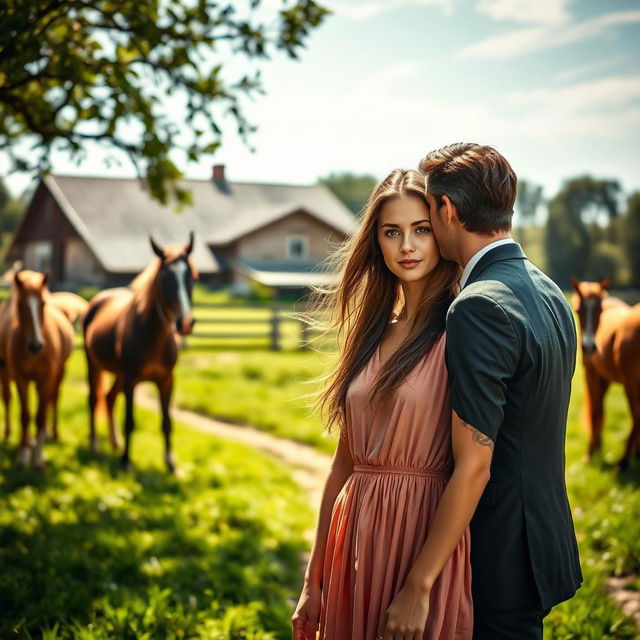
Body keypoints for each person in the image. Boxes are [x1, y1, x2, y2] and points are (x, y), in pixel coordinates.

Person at [292, 169, 482, 640]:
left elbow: (474, 467)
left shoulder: (459, 331)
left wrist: (419, 586)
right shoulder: (372, 331)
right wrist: (312, 580)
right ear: (375, 242)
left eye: (421, 229)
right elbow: (343, 466)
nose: (407, 247)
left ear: (441, 231)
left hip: (422, 536)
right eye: (391, 232)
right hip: (354, 535)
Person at [419, 143, 583, 640]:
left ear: (446, 209)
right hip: (544, 541)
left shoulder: (478, 307)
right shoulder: (551, 291)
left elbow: (475, 464)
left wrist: (418, 583)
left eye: (428, 212)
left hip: (498, 556)